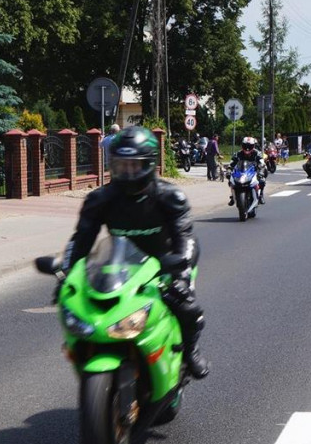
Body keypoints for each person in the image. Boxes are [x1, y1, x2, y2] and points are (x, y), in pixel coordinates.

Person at [60, 126, 209, 379]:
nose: (128, 172)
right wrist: (66, 274)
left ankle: (190, 352)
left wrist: (181, 273)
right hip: (121, 264)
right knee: (90, 308)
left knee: (188, 308)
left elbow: (184, 237)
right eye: (121, 165)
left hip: (167, 261)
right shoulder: (100, 199)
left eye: (135, 165)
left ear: (149, 164)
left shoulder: (170, 196)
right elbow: (82, 239)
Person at [229, 136, 267, 206]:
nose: (247, 148)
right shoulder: (238, 153)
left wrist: (261, 170)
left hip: (253, 172)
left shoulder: (257, 153)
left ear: (253, 146)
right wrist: (228, 169)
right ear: (242, 145)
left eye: (249, 146)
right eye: (245, 145)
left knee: (262, 180)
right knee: (231, 180)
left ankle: (261, 195)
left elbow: (262, 162)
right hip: (241, 172)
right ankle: (233, 196)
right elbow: (231, 163)